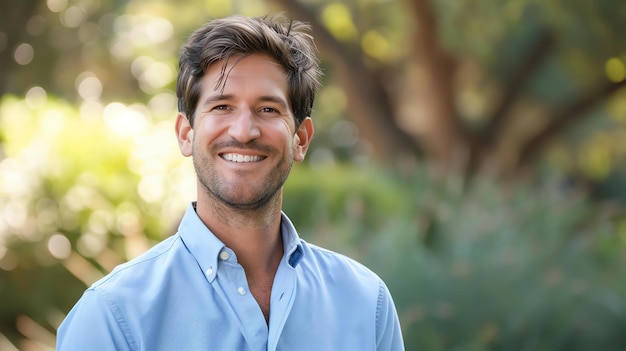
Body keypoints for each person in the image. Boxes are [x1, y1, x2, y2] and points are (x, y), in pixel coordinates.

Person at [56, 14, 404, 351]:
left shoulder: (365, 303)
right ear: (185, 133)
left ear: (300, 138)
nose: (243, 131)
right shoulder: (112, 316)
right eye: (222, 106)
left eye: (268, 109)